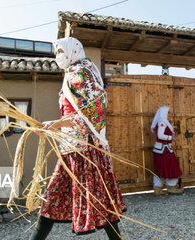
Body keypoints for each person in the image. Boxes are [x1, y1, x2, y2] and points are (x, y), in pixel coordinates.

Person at [31, 37, 126, 240]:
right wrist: (51, 128)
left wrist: (55, 125)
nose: (57, 57)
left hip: (84, 150)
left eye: (59, 52)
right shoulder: (78, 72)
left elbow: (91, 114)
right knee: (55, 198)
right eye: (56, 52)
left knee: (97, 198)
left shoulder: (80, 74)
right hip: (72, 147)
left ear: (72, 51)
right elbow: (74, 113)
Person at [151, 106, 183, 195]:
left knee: (161, 168)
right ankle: (169, 188)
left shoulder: (163, 122)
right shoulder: (162, 122)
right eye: (168, 112)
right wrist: (171, 137)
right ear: (164, 113)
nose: (169, 114)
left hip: (163, 149)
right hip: (163, 150)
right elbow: (160, 135)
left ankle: (159, 188)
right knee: (168, 167)